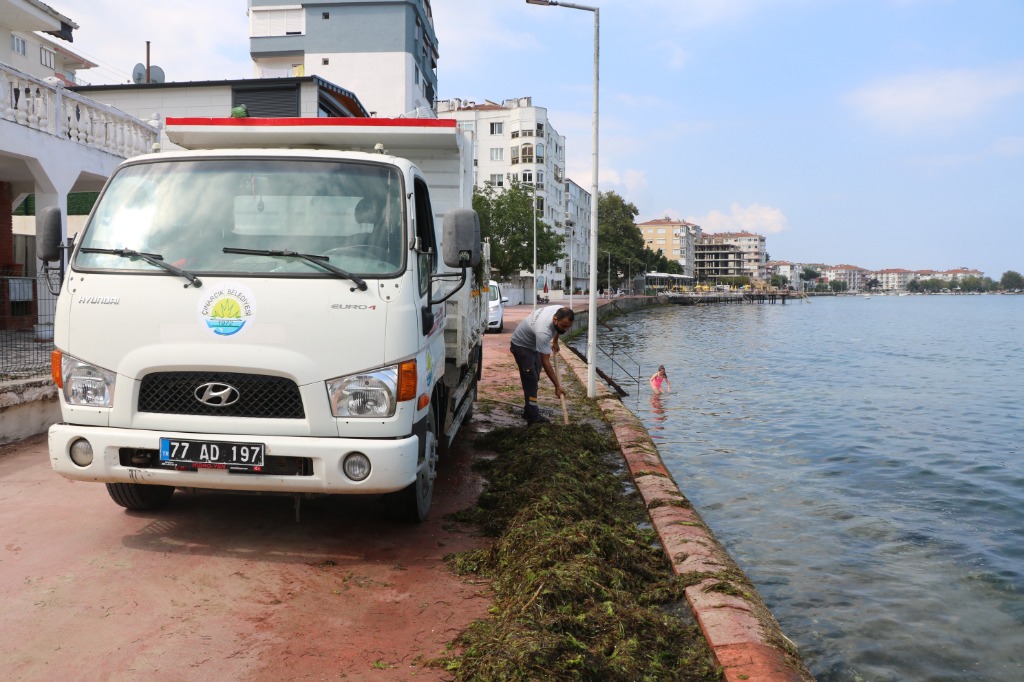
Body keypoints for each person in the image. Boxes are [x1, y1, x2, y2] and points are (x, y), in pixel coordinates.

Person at [510, 305, 574, 425]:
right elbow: (545, 361)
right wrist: (557, 386)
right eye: (564, 326)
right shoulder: (543, 331)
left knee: (535, 378)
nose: (565, 330)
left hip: (534, 345)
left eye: (568, 327)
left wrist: (555, 341)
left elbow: (558, 329)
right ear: (555, 319)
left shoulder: (564, 311)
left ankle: (528, 411)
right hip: (521, 346)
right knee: (531, 381)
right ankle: (533, 418)